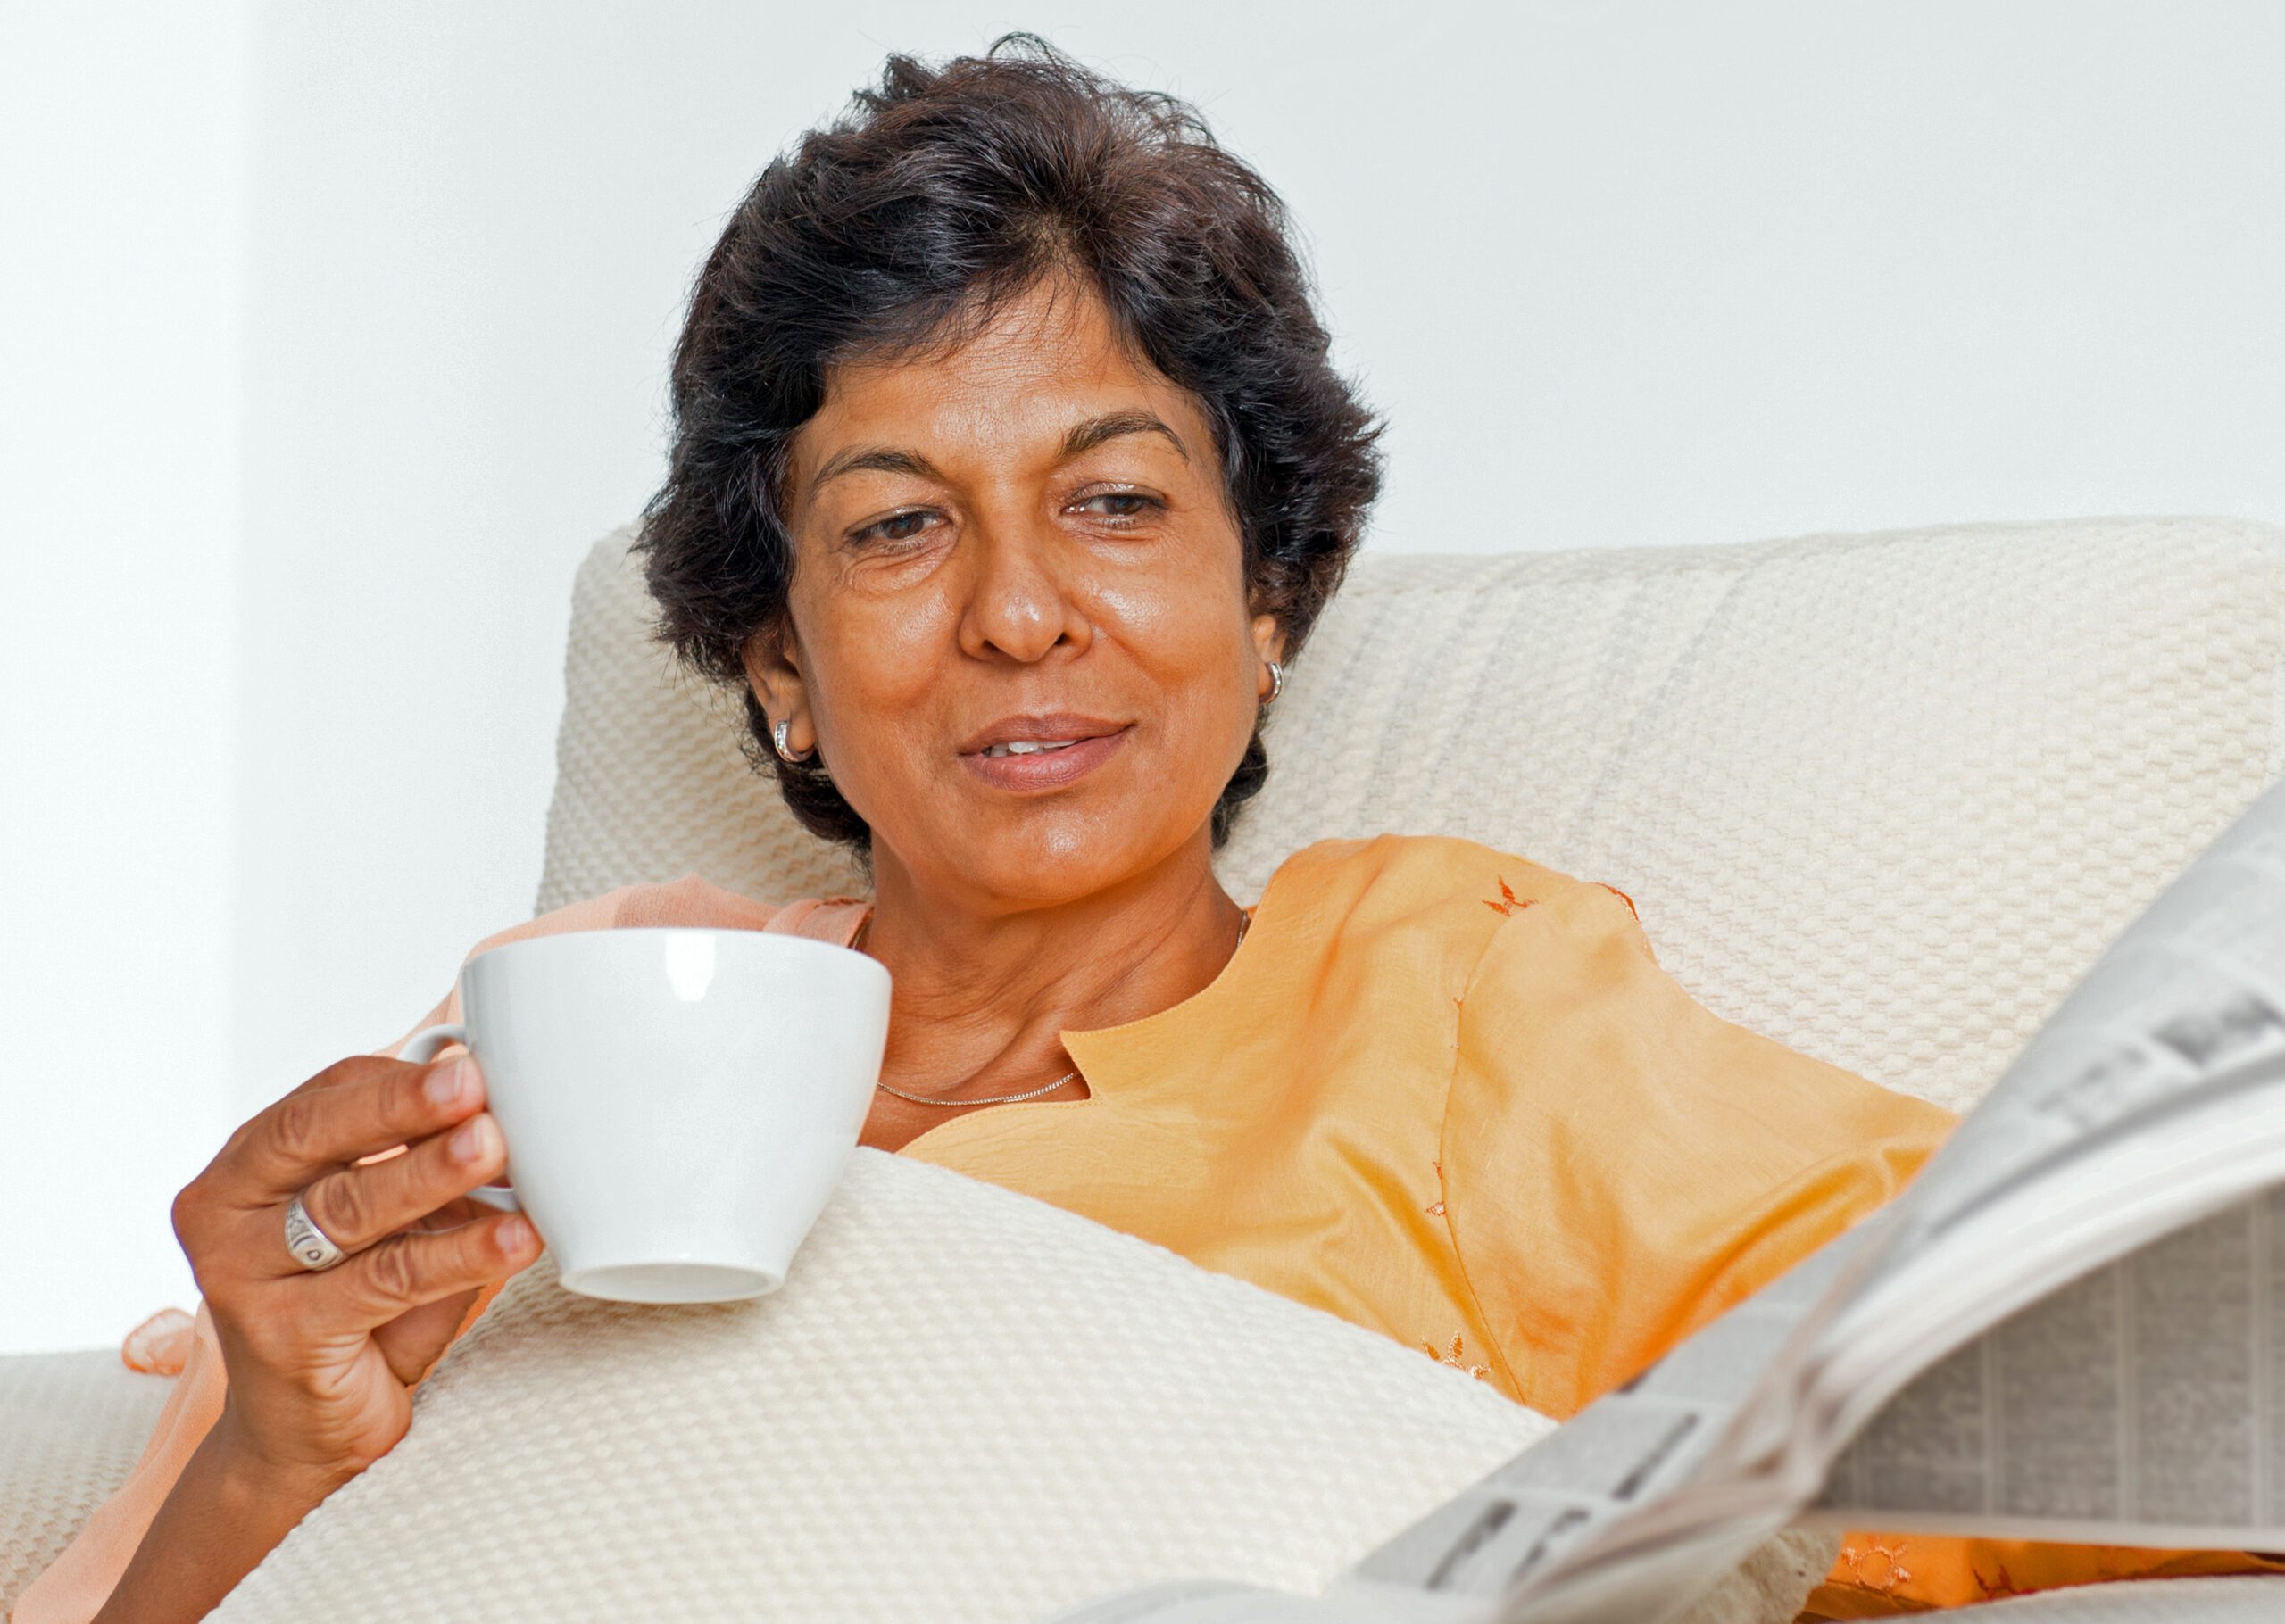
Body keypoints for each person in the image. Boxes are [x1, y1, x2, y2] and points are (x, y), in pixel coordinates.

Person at [24, 37, 2280, 1624]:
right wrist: (270, 1451)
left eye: (1112, 500)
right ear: (778, 665)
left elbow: (2058, 1377)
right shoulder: (552, 1067)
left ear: (1265, 600)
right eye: (899, 525)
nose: (1019, 613)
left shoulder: (1442, 997)